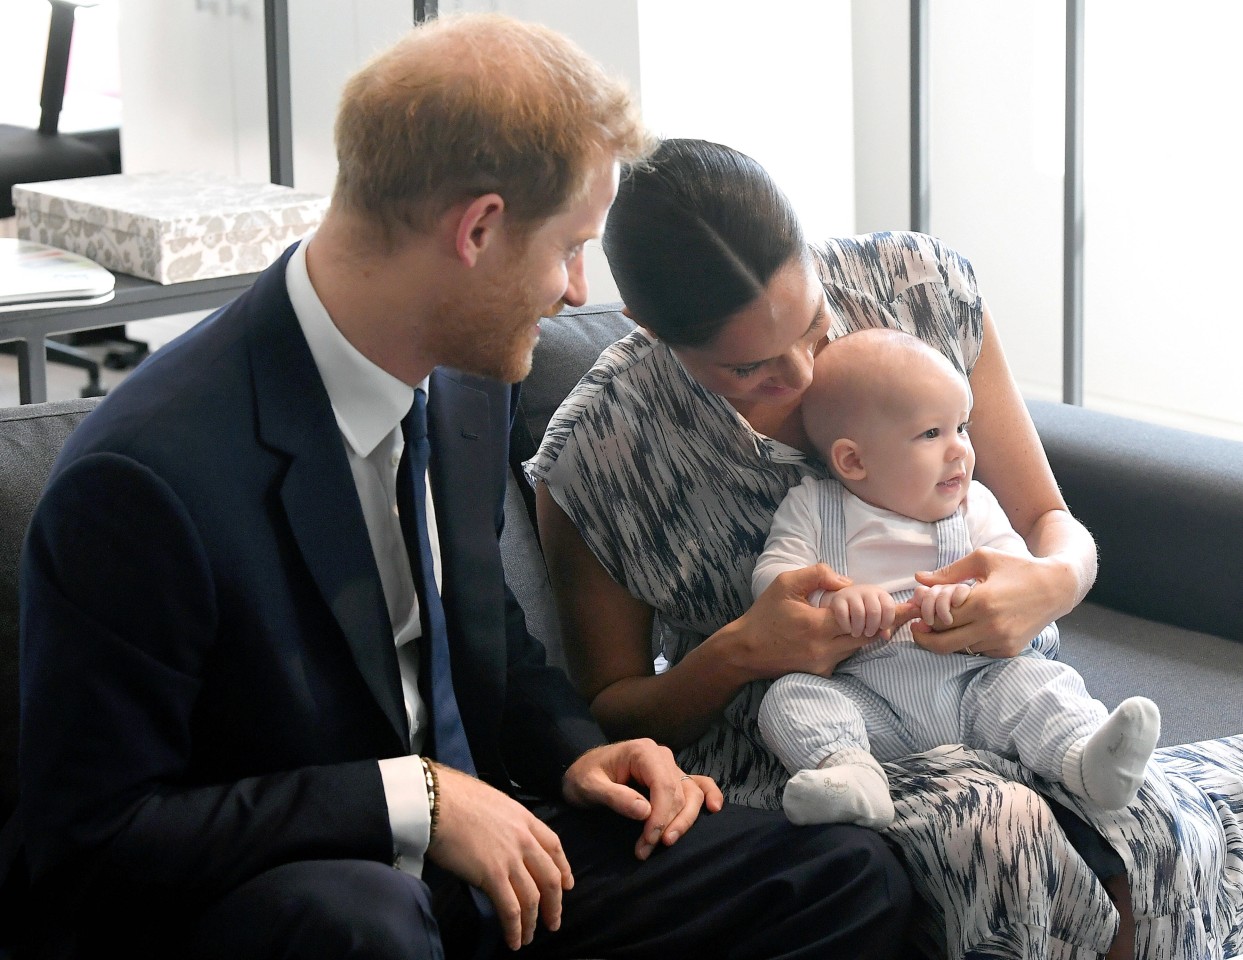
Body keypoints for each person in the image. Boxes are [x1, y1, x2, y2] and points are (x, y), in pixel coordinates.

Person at [14, 20, 914, 960]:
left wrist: (577, 752)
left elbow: (482, 635)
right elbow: (91, 841)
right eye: (570, 246)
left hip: (492, 871)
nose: (575, 291)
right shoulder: (144, 481)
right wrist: (416, 798)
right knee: (363, 926)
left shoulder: (469, 387)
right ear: (477, 228)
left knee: (843, 875)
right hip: (317, 902)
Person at [529, 137, 1243, 959]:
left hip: (985, 682)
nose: (798, 375)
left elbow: (1048, 517)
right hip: (803, 740)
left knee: (1145, 812)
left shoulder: (917, 291)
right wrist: (740, 652)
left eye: (812, 326)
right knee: (1000, 828)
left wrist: (1051, 584)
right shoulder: (601, 447)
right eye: (749, 370)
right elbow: (610, 710)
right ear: (647, 328)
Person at [753, 327, 1161, 831]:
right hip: (867, 696)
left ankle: (1085, 760)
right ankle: (853, 776)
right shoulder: (813, 507)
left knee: (1042, 684)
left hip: (978, 681)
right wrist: (835, 597)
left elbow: (1016, 573)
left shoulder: (975, 506)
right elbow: (774, 581)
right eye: (932, 433)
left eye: (962, 428)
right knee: (788, 698)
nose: (959, 451)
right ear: (853, 460)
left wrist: (972, 596)